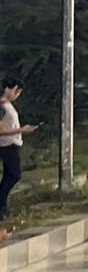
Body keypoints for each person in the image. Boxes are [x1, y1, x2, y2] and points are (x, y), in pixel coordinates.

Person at [0, 78, 36, 218]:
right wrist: (21, 130)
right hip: (6, 144)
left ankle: (3, 207)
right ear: (8, 89)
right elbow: (1, 130)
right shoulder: (2, 106)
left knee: (9, 176)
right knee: (14, 175)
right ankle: (1, 204)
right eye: (17, 91)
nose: (17, 95)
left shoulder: (8, 105)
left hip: (12, 143)